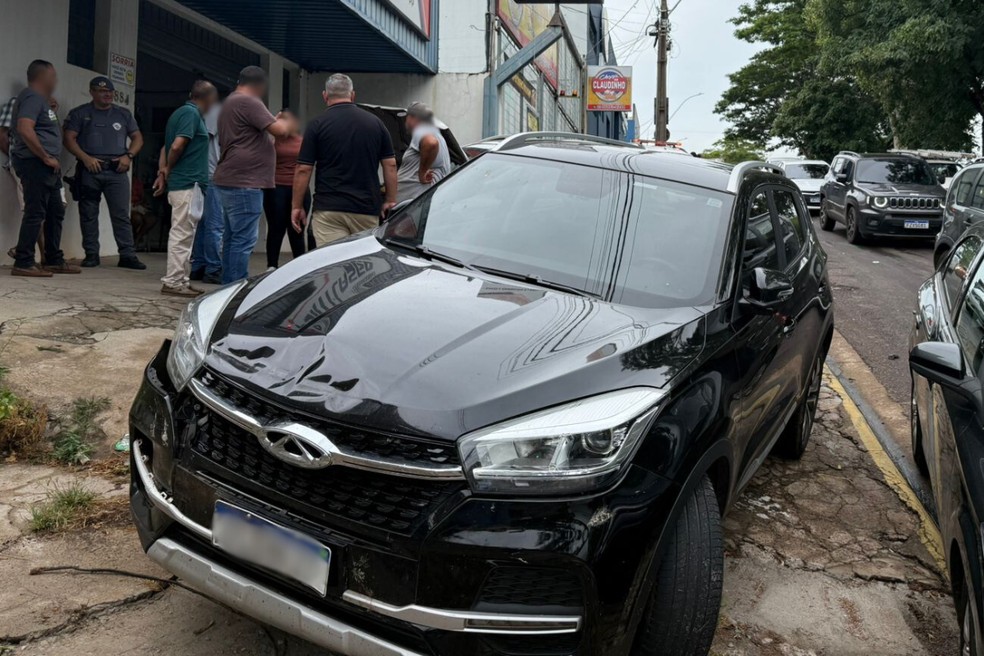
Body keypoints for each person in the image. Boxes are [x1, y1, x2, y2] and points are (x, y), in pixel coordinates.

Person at [291, 74, 397, 247]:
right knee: (362, 263)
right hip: (365, 209)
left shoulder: (317, 125)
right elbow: (390, 165)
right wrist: (390, 200)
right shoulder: (376, 123)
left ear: (325, 95)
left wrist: (296, 206)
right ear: (352, 95)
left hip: (328, 209)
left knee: (331, 264)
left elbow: (303, 169)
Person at [212, 66, 290, 284]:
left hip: (231, 177)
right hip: (244, 181)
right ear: (258, 85)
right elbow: (280, 131)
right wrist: (284, 122)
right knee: (243, 239)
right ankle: (235, 287)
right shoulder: (248, 101)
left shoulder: (230, 102)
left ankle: (227, 284)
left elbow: (256, 139)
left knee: (232, 237)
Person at [64, 76, 145, 269]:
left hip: (117, 169)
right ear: (92, 92)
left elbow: (138, 138)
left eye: (110, 91)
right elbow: (68, 138)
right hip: (90, 169)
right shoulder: (80, 113)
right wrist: (85, 158)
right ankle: (91, 254)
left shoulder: (123, 114)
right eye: (102, 91)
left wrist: (129, 156)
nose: (107, 94)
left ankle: (127, 255)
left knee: (121, 214)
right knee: (88, 213)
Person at [10, 60, 78, 277]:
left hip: (49, 166)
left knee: (56, 209)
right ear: (44, 77)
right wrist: (45, 156)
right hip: (35, 163)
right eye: (53, 76)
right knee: (35, 212)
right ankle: (23, 261)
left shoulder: (42, 101)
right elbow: (25, 128)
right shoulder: (31, 97)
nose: (56, 80)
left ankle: (52, 259)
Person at [154, 80, 217, 297]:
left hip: (187, 183)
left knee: (186, 234)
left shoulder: (182, 114)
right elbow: (176, 145)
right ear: (207, 98)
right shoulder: (190, 114)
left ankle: (182, 279)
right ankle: (173, 282)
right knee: (182, 234)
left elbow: (166, 146)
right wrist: (168, 169)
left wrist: (163, 171)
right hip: (187, 183)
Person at [263, 109, 308, 270]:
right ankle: (272, 265)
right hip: (276, 187)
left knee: (297, 229)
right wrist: (273, 122)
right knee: (276, 227)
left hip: (299, 188)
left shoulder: (304, 141)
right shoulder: (271, 140)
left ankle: (299, 266)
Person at [189, 100, 222, 284]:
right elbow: (204, 141)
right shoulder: (217, 112)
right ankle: (213, 268)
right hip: (214, 175)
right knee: (215, 226)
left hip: (208, 175)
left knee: (204, 224)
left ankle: (199, 266)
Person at [395, 102, 450, 204]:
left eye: (407, 118)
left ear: (414, 118)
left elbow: (430, 143)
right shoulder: (437, 135)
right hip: (418, 205)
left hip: (414, 206)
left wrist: (422, 172)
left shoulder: (422, 130)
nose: (405, 123)